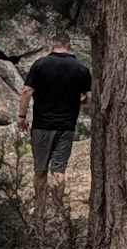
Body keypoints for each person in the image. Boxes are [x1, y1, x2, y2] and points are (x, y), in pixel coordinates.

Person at [22, 36, 93, 185]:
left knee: (40, 171)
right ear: (69, 46)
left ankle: (40, 208)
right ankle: (58, 207)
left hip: (41, 125)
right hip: (66, 126)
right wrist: (82, 104)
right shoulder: (81, 68)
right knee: (59, 171)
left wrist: (21, 117)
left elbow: (26, 91)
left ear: (51, 46)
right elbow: (89, 98)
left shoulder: (40, 64)